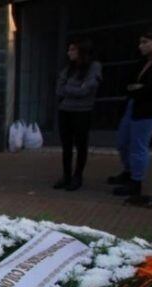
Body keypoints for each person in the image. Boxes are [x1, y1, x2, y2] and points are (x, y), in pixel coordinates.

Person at [108, 26, 152, 198]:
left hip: (148, 110)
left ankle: (136, 182)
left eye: (145, 42)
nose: (141, 46)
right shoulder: (142, 62)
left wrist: (138, 89)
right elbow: (127, 83)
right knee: (123, 142)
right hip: (133, 105)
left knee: (138, 145)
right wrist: (136, 89)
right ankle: (128, 171)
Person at [54, 38, 103, 191]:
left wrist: (70, 88)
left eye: (73, 50)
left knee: (81, 145)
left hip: (82, 111)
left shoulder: (94, 67)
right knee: (66, 145)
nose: (69, 53)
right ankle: (66, 176)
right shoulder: (68, 68)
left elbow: (86, 89)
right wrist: (74, 88)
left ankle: (78, 176)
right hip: (65, 110)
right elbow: (59, 89)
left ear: (82, 51)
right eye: (69, 50)